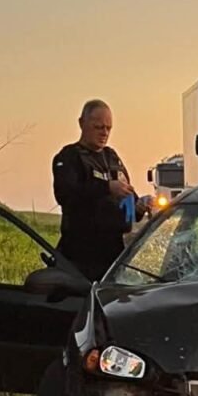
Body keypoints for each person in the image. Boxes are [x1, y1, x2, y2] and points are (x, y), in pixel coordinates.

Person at [52, 100, 144, 281]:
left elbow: (127, 196)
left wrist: (139, 206)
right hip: (81, 255)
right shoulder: (69, 157)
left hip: (113, 255)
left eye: (109, 128)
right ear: (82, 123)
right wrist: (106, 187)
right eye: (98, 127)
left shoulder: (112, 157)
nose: (104, 133)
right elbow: (66, 194)